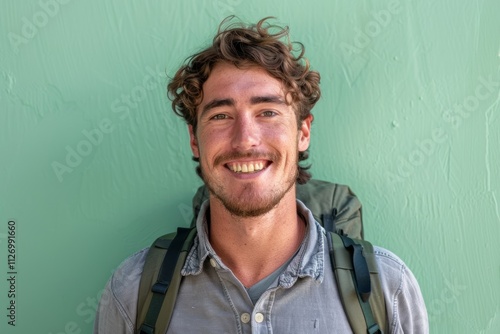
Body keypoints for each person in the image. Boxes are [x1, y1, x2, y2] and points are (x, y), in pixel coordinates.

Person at [94, 16, 428, 333]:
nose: (245, 139)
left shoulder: (390, 289)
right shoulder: (133, 292)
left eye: (267, 112)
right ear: (194, 139)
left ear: (302, 133)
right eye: (221, 115)